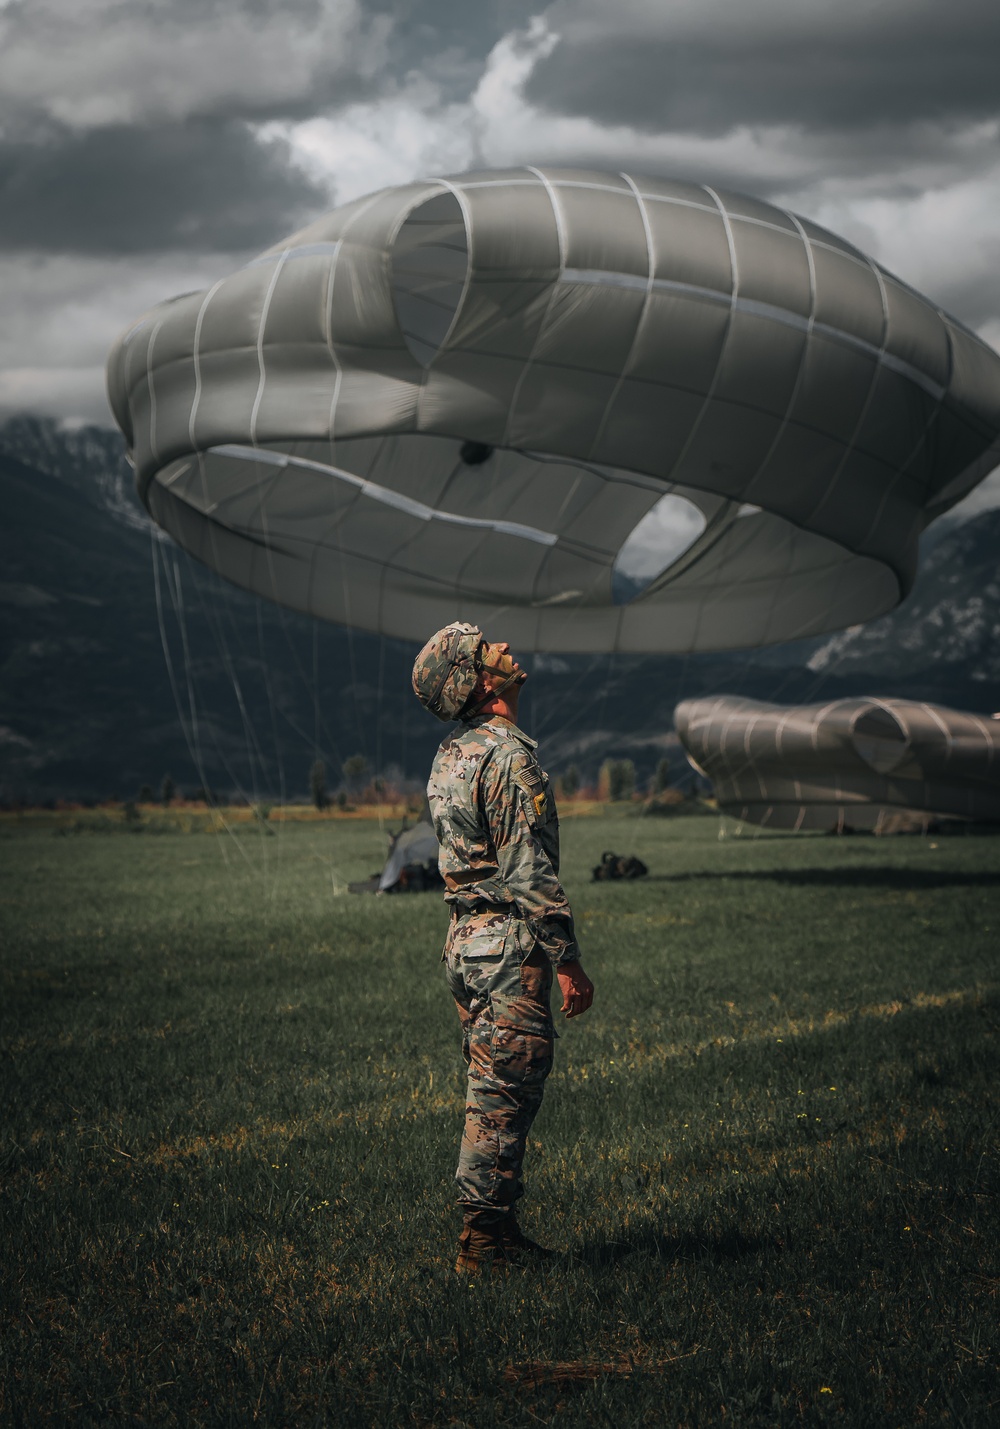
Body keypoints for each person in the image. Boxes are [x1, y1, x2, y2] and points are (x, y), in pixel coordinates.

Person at [412, 622, 595, 1273]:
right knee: (503, 1094)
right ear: (479, 679)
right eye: (488, 647)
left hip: (465, 945)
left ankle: (495, 1232)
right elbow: (528, 871)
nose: (505, 648)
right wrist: (567, 958)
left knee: (491, 1086)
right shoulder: (509, 756)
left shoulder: (452, 753)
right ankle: (485, 1242)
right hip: (507, 947)